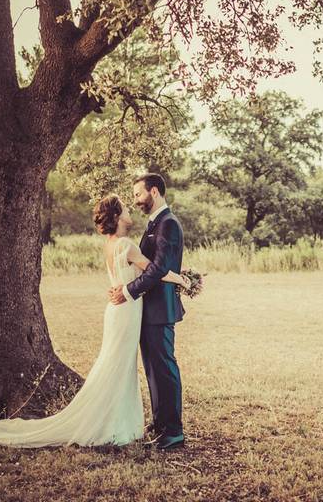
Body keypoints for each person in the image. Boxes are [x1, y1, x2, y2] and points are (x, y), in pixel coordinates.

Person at [0, 192, 189, 449]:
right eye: (125, 208)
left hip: (118, 311)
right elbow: (155, 270)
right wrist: (181, 279)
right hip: (125, 312)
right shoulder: (127, 246)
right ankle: (110, 422)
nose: (129, 211)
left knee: (115, 365)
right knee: (118, 367)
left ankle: (115, 418)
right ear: (116, 216)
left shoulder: (111, 243)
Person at [108, 172, 187, 451]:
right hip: (147, 310)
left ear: (154, 192)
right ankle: (161, 423)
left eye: (139, 194)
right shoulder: (155, 223)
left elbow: (159, 268)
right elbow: (156, 265)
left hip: (160, 310)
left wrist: (128, 291)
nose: (136, 201)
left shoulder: (168, 223)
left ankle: (173, 432)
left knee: (164, 369)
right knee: (153, 370)